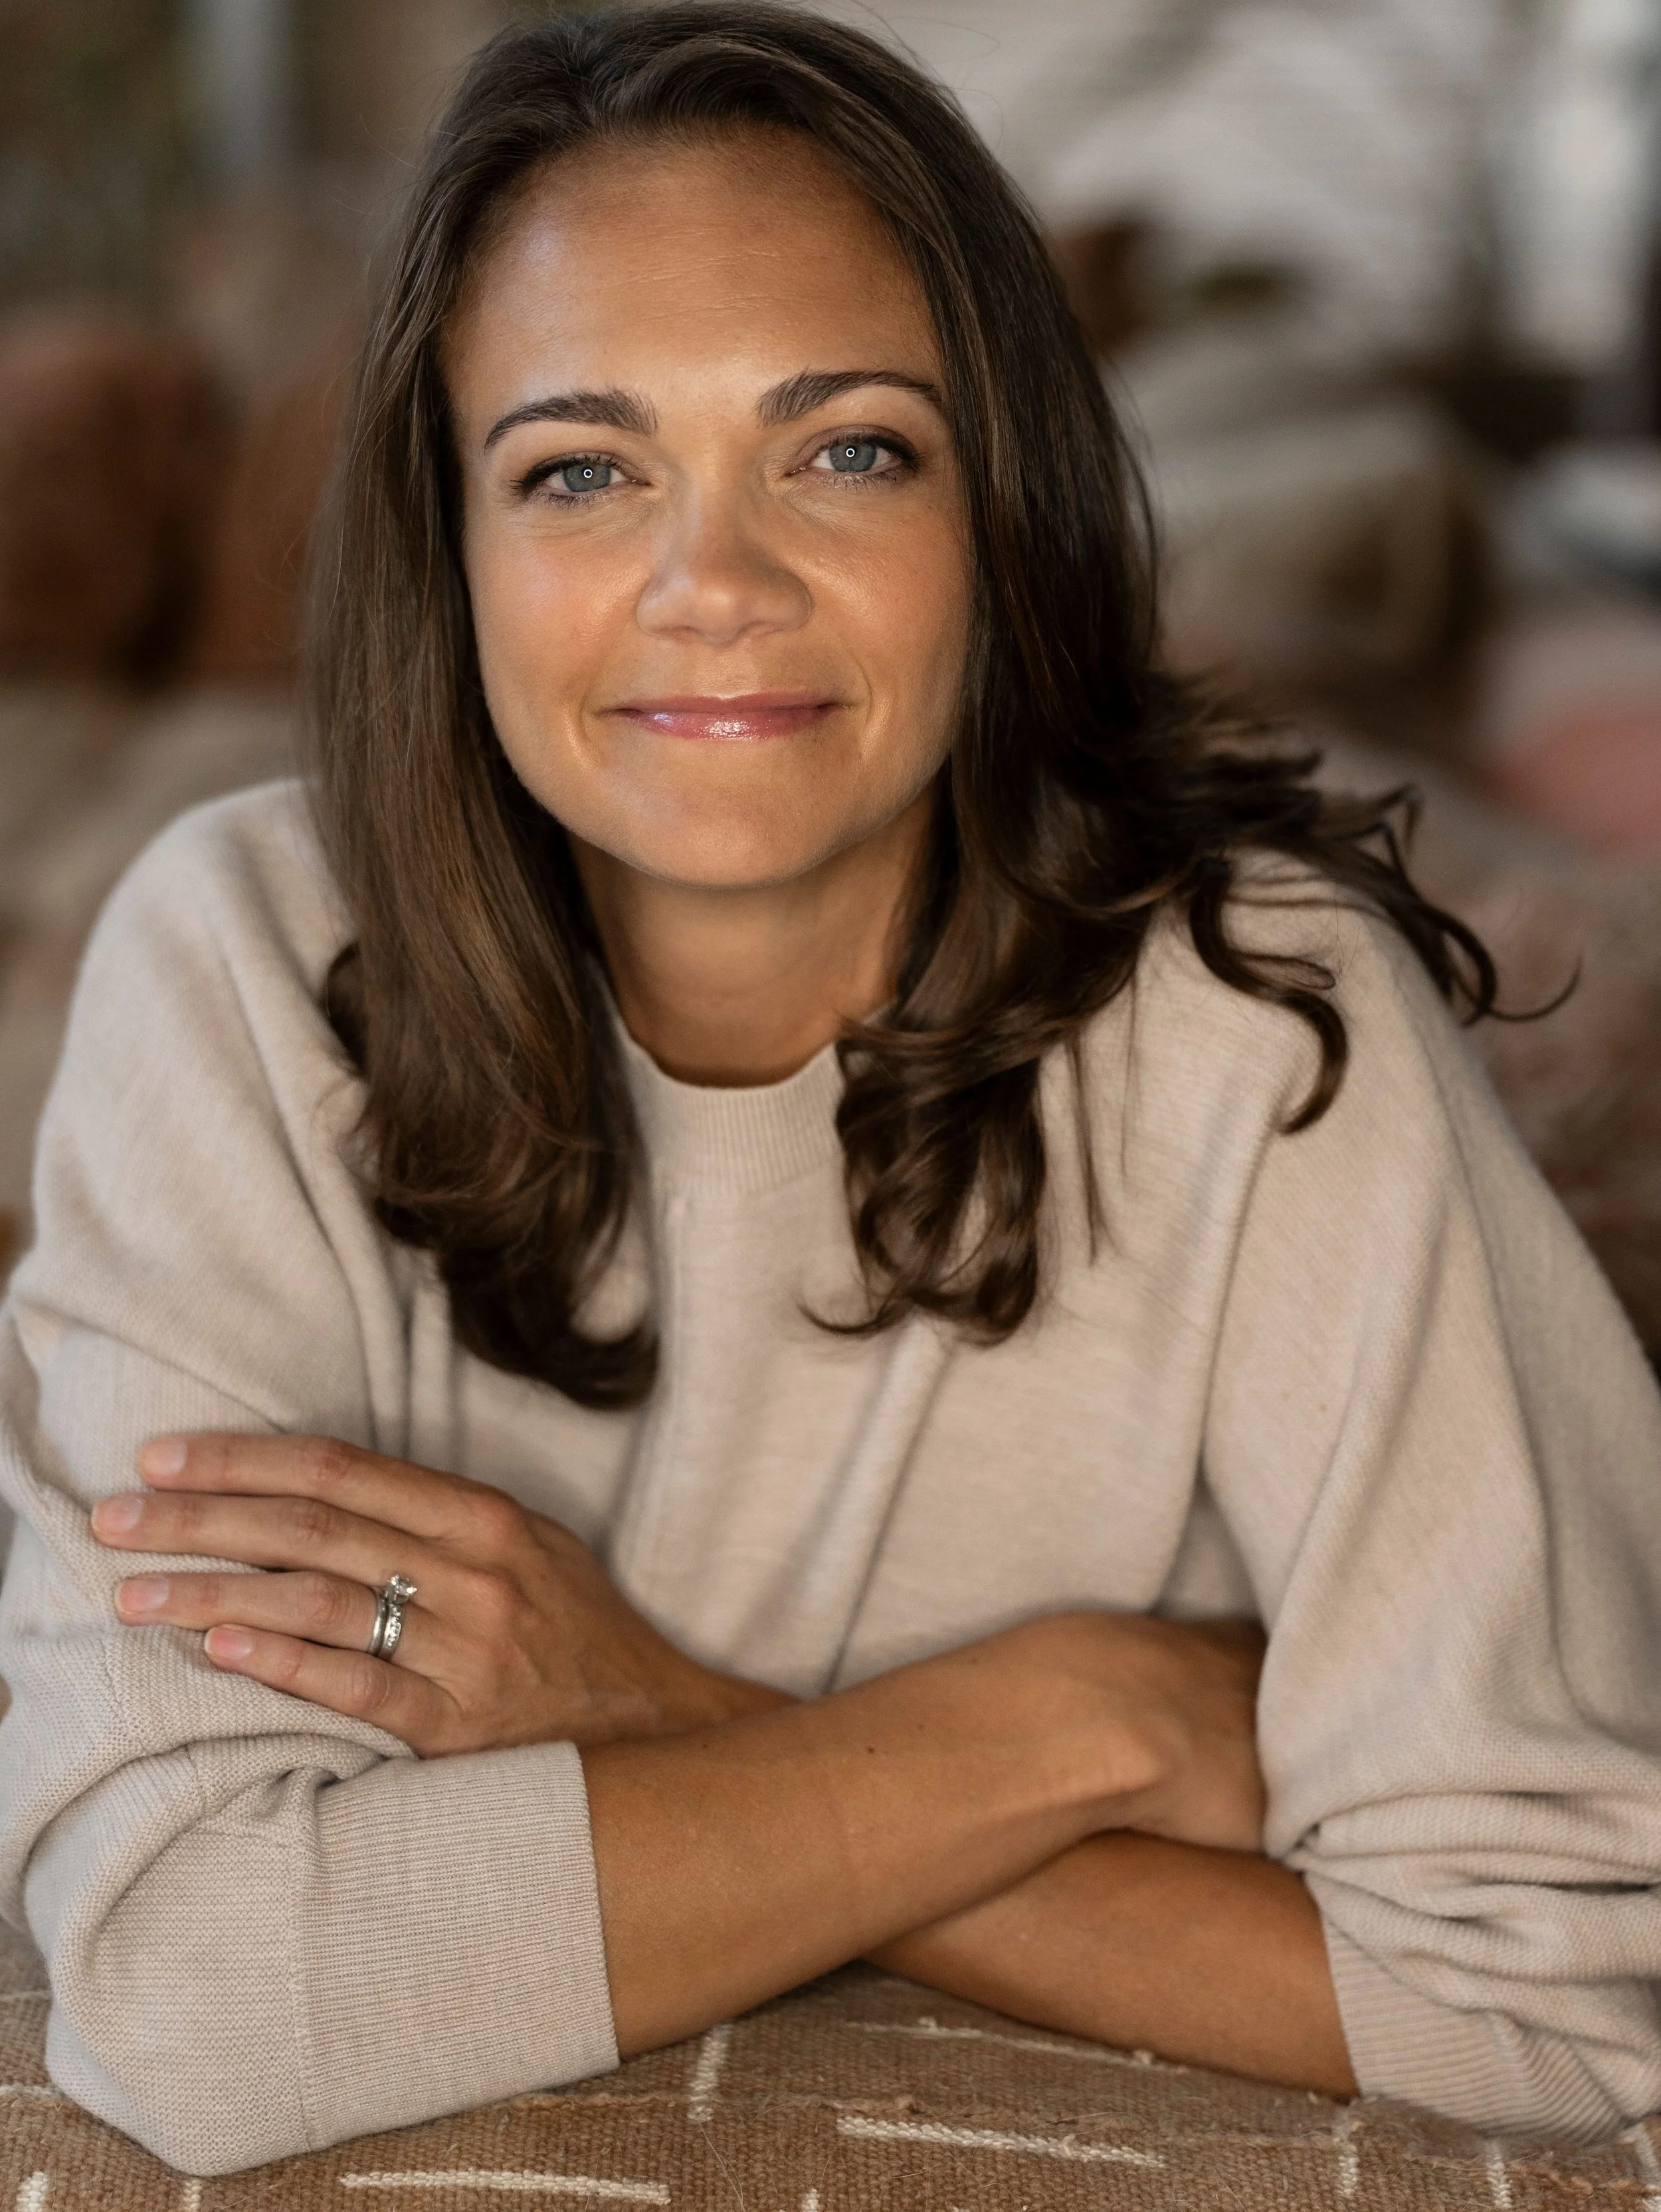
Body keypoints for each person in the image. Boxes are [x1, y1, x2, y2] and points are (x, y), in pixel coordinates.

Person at [3, 3, 1660, 2177]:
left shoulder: (1265, 1019)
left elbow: (1560, 1989)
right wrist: (1069, 1724)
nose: (713, 587)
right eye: (579, 469)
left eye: (847, 448)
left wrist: (667, 1713)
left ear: (1004, 500)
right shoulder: (234, 958)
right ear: (450, 541)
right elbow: (198, 1992)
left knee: (1383, 578)